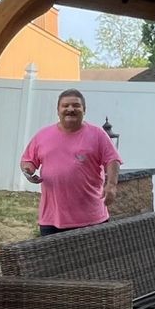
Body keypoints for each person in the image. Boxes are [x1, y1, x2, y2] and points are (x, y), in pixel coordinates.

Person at [20, 88, 120, 235]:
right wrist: (28, 171)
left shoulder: (97, 134)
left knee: (93, 258)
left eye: (76, 105)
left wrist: (111, 185)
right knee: (53, 258)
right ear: (58, 110)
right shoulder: (43, 136)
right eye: (65, 106)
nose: (70, 109)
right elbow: (27, 161)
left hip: (92, 218)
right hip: (52, 219)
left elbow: (113, 159)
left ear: (84, 110)